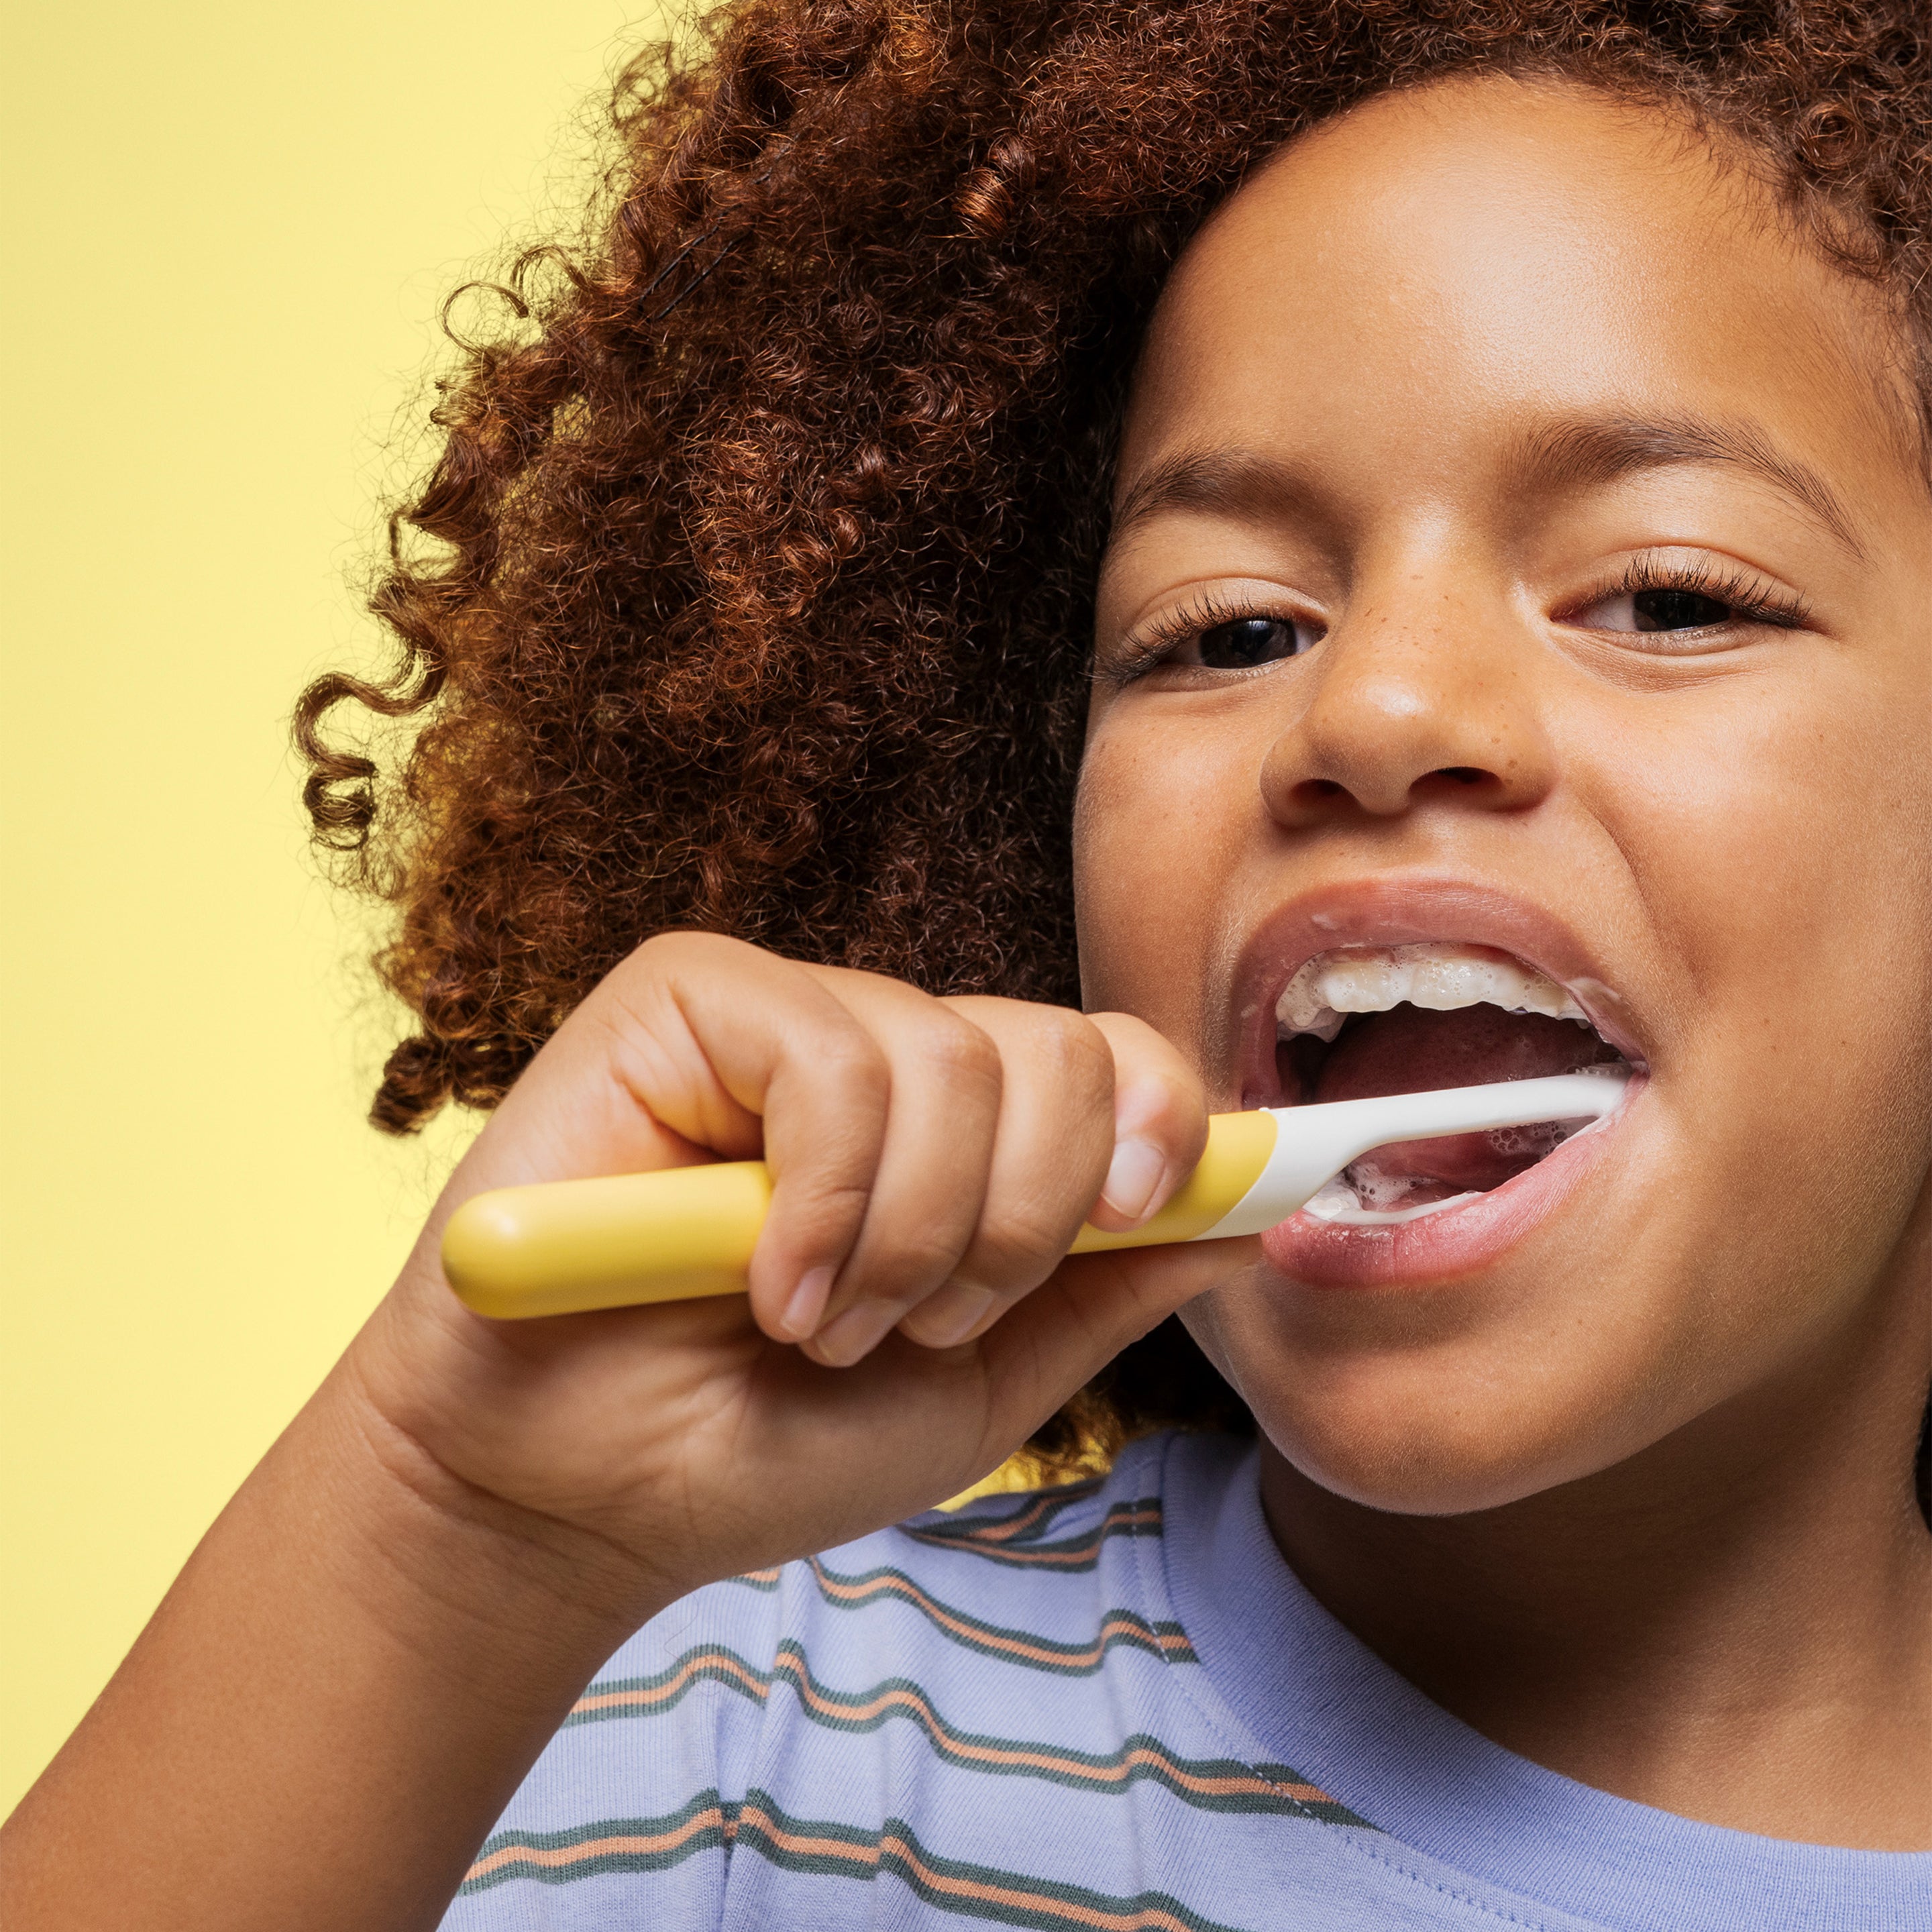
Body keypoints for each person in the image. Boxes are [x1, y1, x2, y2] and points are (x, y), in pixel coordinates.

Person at [5, 3, 1929, 1927]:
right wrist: (457, 1532)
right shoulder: (743, 1752)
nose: (1375, 703)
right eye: (1223, 628)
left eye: (1671, 593)